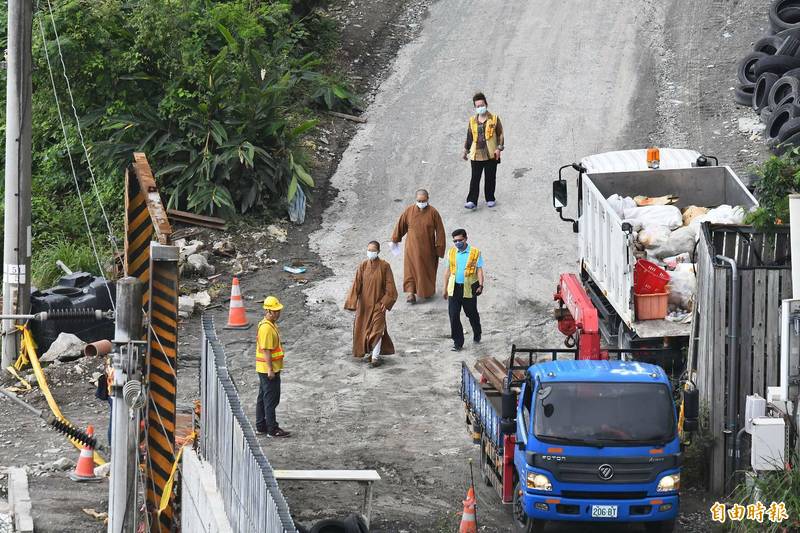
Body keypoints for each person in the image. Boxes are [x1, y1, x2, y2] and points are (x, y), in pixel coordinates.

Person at [344, 241, 398, 366]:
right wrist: (352, 303)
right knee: (363, 330)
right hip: (364, 306)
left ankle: (375, 357)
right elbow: (356, 284)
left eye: (373, 250)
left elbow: (390, 286)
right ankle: (370, 352)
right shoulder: (363, 265)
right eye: (369, 250)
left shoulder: (385, 266)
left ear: (378, 251)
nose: (370, 252)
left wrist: (386, 301)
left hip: (379, 305)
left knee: (377, 330)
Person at [390, 189, 446, 304]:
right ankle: (411, 293)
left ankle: (425, 292)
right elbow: (401, 225)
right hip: (412, 247)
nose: (421, 202)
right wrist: (395, 239)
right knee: (410, 270)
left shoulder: (433, 212)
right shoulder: (409, 211)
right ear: (416, 199)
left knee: (426, 271)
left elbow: (440, 231)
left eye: (423, 200)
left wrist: (439, 247)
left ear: (428, 199)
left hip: (428, 248)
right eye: (419, 200)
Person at [442, 229, 484, 351]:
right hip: (454, 288)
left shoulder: (475, 252)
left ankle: (477, 333)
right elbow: (447, 271)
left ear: (466, 239)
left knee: (472, 314)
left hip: (469, 289)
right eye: (455, 241)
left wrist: (481, 285)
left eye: (460, 240)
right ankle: (458, 343)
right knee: (453, 315)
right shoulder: (451, 253)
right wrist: (444, 289)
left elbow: (479, 270)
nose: (457, 243)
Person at [461, 92, 505, 209]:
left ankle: (490, 198)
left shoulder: (494, 119)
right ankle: (472, 201)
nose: (480, 108)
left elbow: (500, 135)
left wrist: (499, 149)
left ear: (486, 104)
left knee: (490, 177)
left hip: (491, 154)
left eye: (482, 105)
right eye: (478, 106)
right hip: (476, 155)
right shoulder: (472, 121)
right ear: (475, 107)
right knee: (475, 178)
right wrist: (465, 150)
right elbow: (469, 137)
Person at [255, 296, 290, 438]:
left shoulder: (268, 324)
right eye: (275, 311)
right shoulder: (267, 329)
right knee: (271, 399)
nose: (278, 313)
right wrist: (270, 369)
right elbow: (267, 350)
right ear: (268, 310)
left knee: (263, 398)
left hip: (264, 368)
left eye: (278, 310)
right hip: (268, 370)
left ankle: (261, 426)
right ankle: (272, 429)